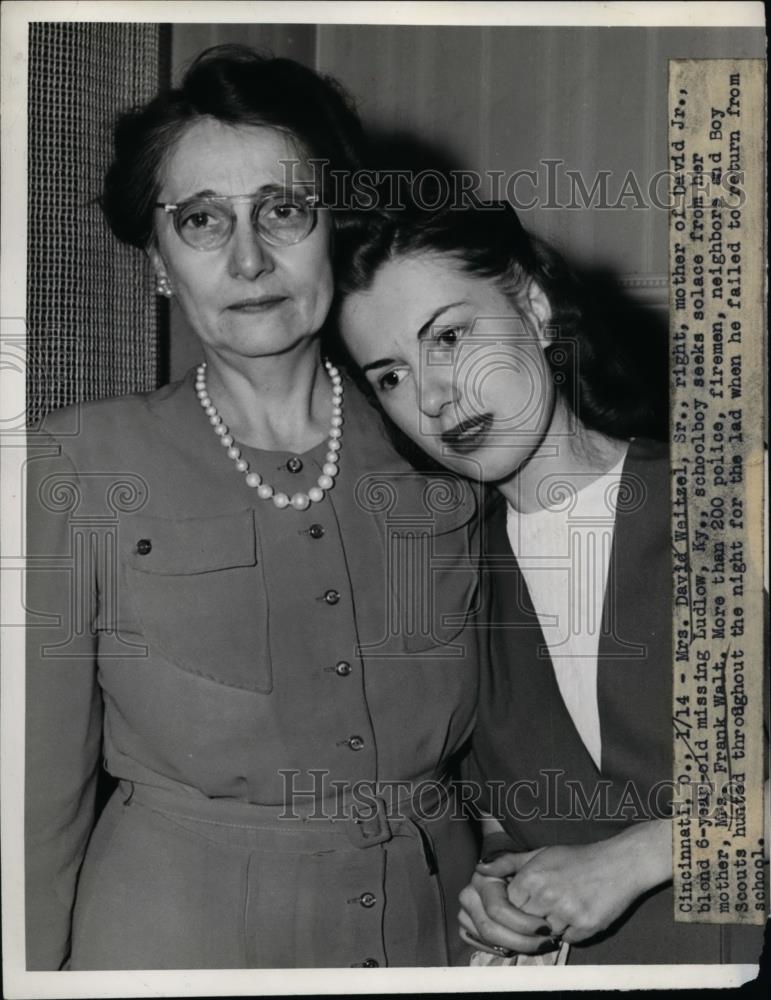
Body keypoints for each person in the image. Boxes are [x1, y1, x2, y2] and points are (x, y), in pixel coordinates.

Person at [25, 46, 482, 971]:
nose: (248, 257)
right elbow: (35, 801)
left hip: (439, 939)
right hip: (174, 948)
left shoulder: (446, 434)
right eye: (200, 220)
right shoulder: (74, 464)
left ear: (333, 228)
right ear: (158, 260)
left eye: (283, 210)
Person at [335, 201, 768, 964]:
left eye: (450, 337)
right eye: (392, 375)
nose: (433, 398)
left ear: (533, 309)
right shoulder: (453, 575)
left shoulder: (731, 497)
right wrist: (497, 886)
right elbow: (515, 815)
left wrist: (643, 855)